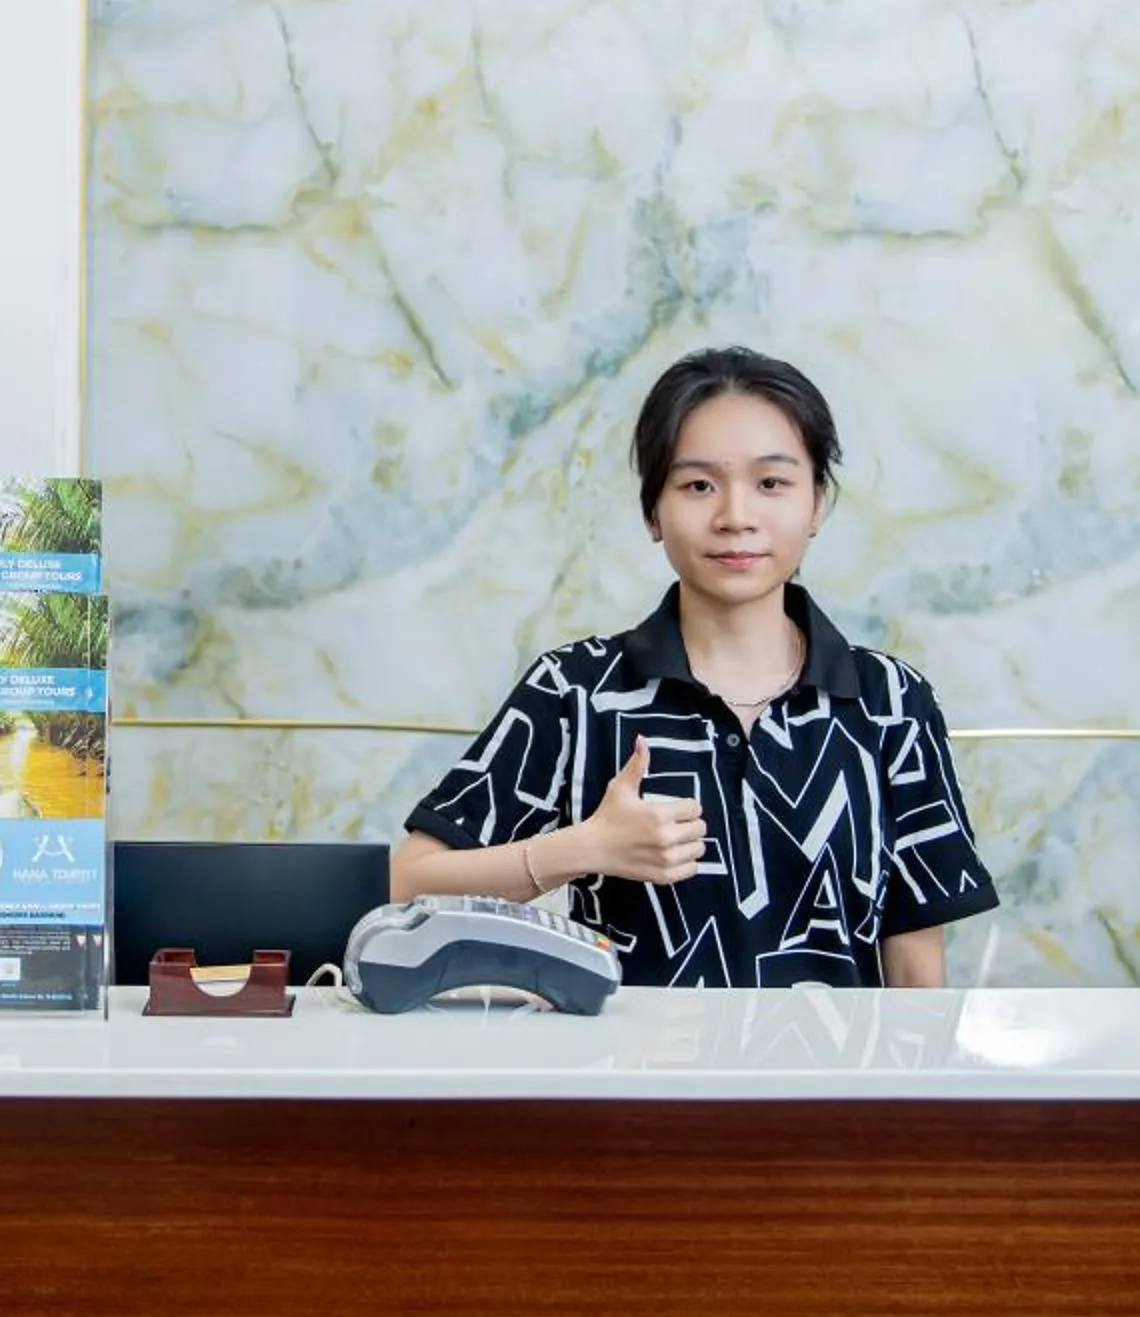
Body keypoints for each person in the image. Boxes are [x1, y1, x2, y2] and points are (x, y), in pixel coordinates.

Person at [392, 346, 999, 990]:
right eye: (697, 485)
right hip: (626, 1085)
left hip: (834, 1090)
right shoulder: (575, 690)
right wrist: (582, 849)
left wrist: (920, 1093)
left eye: (772, 483)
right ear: (653, 512)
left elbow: (913, 961)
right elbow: (409, 882)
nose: (735, 517)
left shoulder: (891, 703)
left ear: (817, 503)